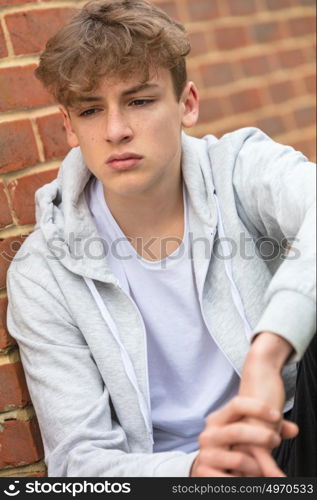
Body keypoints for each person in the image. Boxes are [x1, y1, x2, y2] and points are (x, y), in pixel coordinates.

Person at [6, 0, 316, 477]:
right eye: (91, 110)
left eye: (139, 101)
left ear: (187, 104)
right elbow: (78, 460)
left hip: (293, 426)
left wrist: (268, 353)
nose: (116, 131)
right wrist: (193, 470)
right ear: (69, 126)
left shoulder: (239, 169)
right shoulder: (43, 272)